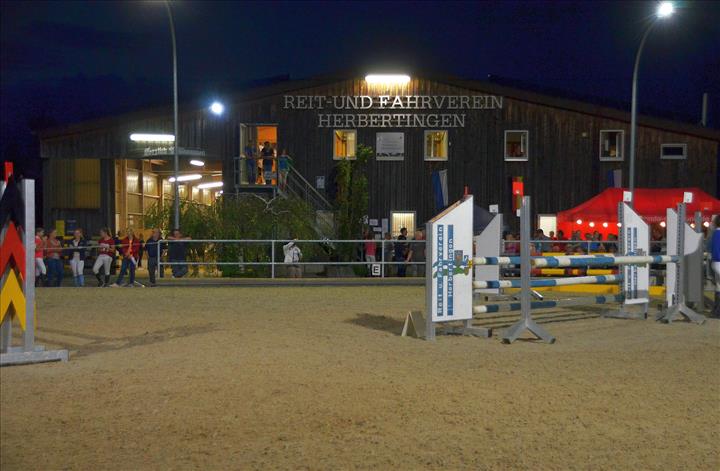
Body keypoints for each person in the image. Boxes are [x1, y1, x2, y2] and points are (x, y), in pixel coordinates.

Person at [711, 215, 720, 318]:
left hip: (716, 262)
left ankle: (717, 311)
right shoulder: (718, 233)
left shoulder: (715, 233)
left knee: (719, 286)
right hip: (718, 262)